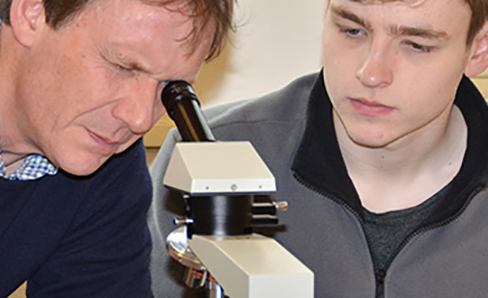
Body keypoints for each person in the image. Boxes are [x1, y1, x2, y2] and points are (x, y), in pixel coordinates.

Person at [149, 0, 488, 297]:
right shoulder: (201, 156)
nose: (370, 73)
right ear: (327, 13)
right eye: (352, 29)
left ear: (479, 48)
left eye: (416, 44)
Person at [0, 0, 234, 296]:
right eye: (123, 66)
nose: (140, 119)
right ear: (32, 12)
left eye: (168, 87)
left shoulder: (106, 165)